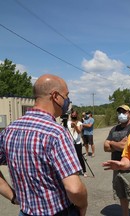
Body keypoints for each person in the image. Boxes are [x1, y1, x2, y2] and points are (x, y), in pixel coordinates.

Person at [0, 74, 88, 215]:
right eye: (66, 96)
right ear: (55, 96)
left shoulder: (9, 130)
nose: (67, 101)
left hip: (25, 212)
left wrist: (13, 196)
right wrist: (83, 206)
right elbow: (74, 188)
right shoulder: (56, 133)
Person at [104, 105, 130, 216]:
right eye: (119, 112)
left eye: (124, 112)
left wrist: (112, 143)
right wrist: (118, 145)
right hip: (116, 168)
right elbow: (105, 147)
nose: (121, 114)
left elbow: (125, 146)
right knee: (122, 195)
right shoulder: (114, 129)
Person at [68, 110, 87, 177]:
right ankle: (75, 170)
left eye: (75, 114)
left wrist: (75, 126)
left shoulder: (79, 123)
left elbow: (79, 131)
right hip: (70, 143)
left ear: (77, 115)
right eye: (72, 114)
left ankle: (84, 171)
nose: (73, 115)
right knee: (71, 157)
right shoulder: (68, 122)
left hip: (77, 143)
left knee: (79, 157)